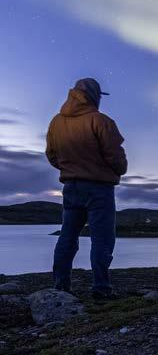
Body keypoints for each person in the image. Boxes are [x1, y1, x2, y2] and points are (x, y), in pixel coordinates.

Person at [46, 78, 127, 299]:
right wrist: (117, 170)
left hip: (71, 186)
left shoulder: (56, 122)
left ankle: (61, 286)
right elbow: (116, 158)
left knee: (67, 236)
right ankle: (101, 289)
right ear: (93, 96)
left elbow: (52, 155)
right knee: (102, 239)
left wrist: (70, 168)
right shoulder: (101, 121)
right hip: (99, 189)